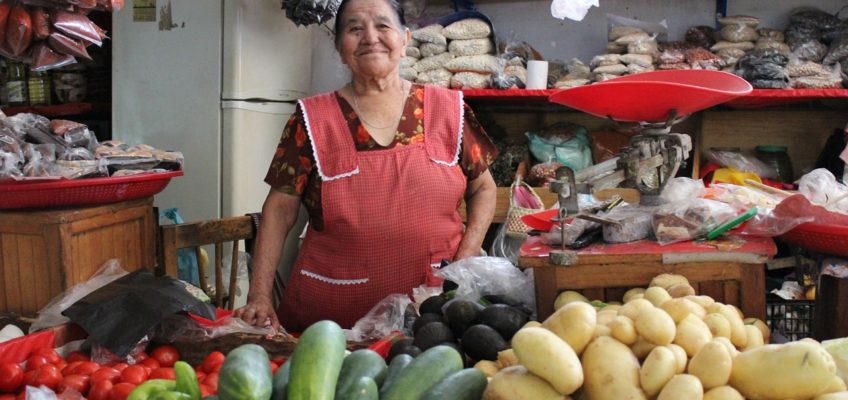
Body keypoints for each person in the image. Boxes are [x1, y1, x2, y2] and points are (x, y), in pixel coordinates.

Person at [234, 0, 498, 331]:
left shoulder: (449, 110)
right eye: (355, 28)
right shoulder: (312, 120)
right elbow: (279, 210)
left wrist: (465, 258)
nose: (370, 37)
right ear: (339, 48)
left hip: (432, 314)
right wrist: (259, 295)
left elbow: (484, 188)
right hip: (330, 324)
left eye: (382, 26)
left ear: (404, 39)